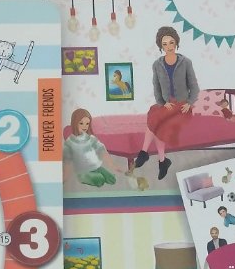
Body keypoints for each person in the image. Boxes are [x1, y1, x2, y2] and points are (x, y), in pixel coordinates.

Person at [133, 26, 198, 181]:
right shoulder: (157, 65)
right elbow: (156, 87)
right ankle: (162, 161)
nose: (169, 46)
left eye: (171, 42)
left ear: (176, 42)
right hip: (167, 105)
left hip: (182, 107)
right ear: (160, 46)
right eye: (165, 44)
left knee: (158, 122)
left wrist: (190, 103)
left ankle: (145, 153)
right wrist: (162, 103)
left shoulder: (186, 62)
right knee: (156, 118)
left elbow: (194, 86)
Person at [63, 107, 117, 187]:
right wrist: (65, 177)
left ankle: (99, 175)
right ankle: (90, 178)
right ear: (75, 123)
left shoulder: (91, 138)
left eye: (87, 123)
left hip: (96, 167)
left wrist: (112, 164)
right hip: (83, 171)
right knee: (100, 180)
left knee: (112, 179)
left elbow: (102, 150)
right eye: (81, 123)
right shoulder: (70, 142)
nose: (84, 126)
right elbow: (67, 161)